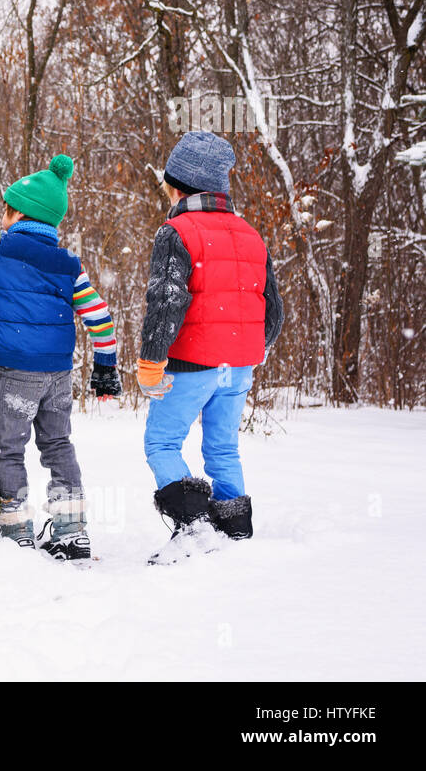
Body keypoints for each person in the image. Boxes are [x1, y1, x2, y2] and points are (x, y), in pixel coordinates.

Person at [0, 155, 119, 561]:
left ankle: (16, 530)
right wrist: (105, 369)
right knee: (58, 444)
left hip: (16, 372)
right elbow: (100, 319)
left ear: (15, 213)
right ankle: (71, 530)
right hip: (58, 375)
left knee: (9, 450)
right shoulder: (68, 265)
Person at [137, 130, 284, 562]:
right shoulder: (250, 235)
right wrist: (247, 350)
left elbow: (167, 301)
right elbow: (271, 309)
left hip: (190, 363)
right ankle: (236, 531)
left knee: (162, 443)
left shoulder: (176, 231)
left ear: (176, 184)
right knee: (222, 447)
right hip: (238, 366)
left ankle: (196, 528)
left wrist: (151, 359)